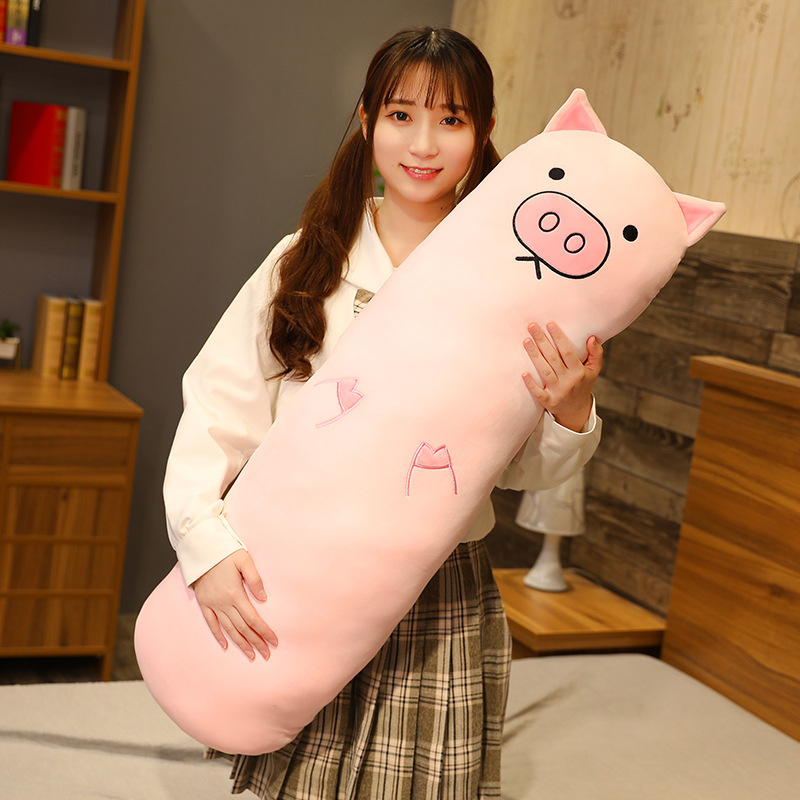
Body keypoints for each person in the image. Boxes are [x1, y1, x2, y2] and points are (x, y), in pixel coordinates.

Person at [163, 26, 603, 800]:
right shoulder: (304, 261)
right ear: (368, 121)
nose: (423, 144)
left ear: (484, 132)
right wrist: (204, 544)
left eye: (451, 119)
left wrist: (571, 409)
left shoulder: (523, 287)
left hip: (440, 590)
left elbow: (517, 471)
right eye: (401, 115)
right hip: (301, 568)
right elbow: (217, 408)